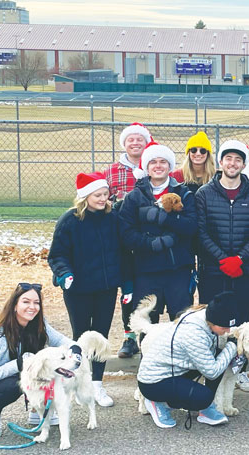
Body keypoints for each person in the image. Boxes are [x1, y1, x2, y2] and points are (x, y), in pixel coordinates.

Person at [47, 172, 130, 408]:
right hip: (79, 289)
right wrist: (64, 274)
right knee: (81, 335)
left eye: (105, 194)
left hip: (106, 288)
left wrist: (127, 284)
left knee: (100, 336)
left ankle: (97, 384)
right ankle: (79, 382)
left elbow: (123, 253)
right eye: (98, 195)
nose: (103, 199)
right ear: (85, 196)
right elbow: (57, 254)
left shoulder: (113, 219)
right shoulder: (70, 220)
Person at [195, 139, 249, 392]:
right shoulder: (204, 194)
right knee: (214, 321)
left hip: (245, 271)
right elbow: (201, 232)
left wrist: (239, 258)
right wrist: (221, 258)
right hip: (213, 271)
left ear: (244, 163)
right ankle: (210, 372)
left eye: (238, 159)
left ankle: (240, 372)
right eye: (228, 158)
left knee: (243, 322)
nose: (233, 163)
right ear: (220, 162)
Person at [0, 283, 76, 437]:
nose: (32, 307)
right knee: (16, 383)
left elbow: (60, 339)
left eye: (36, 303)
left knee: (53, 369)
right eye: (26, 302)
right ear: (14, 305)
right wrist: (17, 365)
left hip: (21, 374)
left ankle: (37, 409)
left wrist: (75, 349)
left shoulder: (38, 324)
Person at [118, 142, 197, 327]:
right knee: (146, 320)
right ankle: (148, 355)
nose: (158, 166)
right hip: (146, 269)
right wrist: (151, 243)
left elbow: (192, 227)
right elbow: (126, 233)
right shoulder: (134, 197)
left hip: (177, 268)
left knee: (181, 320)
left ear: (170, 166)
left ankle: (179, 355)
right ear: (146, 167)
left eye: (163, 161)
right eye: (153, 162)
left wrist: (165, 219)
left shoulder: (183, 193)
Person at [136, 292, 243, 428]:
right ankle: (157, 402)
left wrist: (228, 348)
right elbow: (212, 372)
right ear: (213, 321)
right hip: (153, 382)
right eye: (224, 327)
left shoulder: (207, 317)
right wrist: (232, 346)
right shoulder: (193, 333)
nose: (227, 331)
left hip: (174, 370)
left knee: (219, 357)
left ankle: (206, 409)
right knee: (203, 397)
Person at [107, 122, 151, 358]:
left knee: (147, 289)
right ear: (124, 144)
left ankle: (147, 335)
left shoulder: (152, 166)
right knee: (128, 290)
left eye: (139, 139)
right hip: (123, 239)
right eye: (130, 140)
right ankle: (129, 336)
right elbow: (102, 199)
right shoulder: (113, 170)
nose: (135, 143)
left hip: (147, 238)